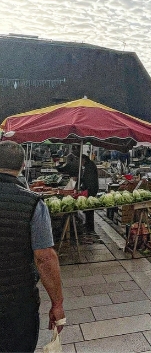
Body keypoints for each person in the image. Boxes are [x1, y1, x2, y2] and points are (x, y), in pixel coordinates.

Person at [0, 141, 66, 352]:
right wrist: (57, 304)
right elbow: (45, 257)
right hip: (17, 304)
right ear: (22, 166)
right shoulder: (33, 203)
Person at [81, 154, 99, 233]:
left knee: (89, 208)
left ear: (84, 159)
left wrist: (83, 186)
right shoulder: (89, 165)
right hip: (90, 188)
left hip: (91, 189)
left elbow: (88, 179)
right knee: (88, 208)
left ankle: (90, 227)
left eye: (80, 161)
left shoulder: (90, 166)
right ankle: (88, 224)